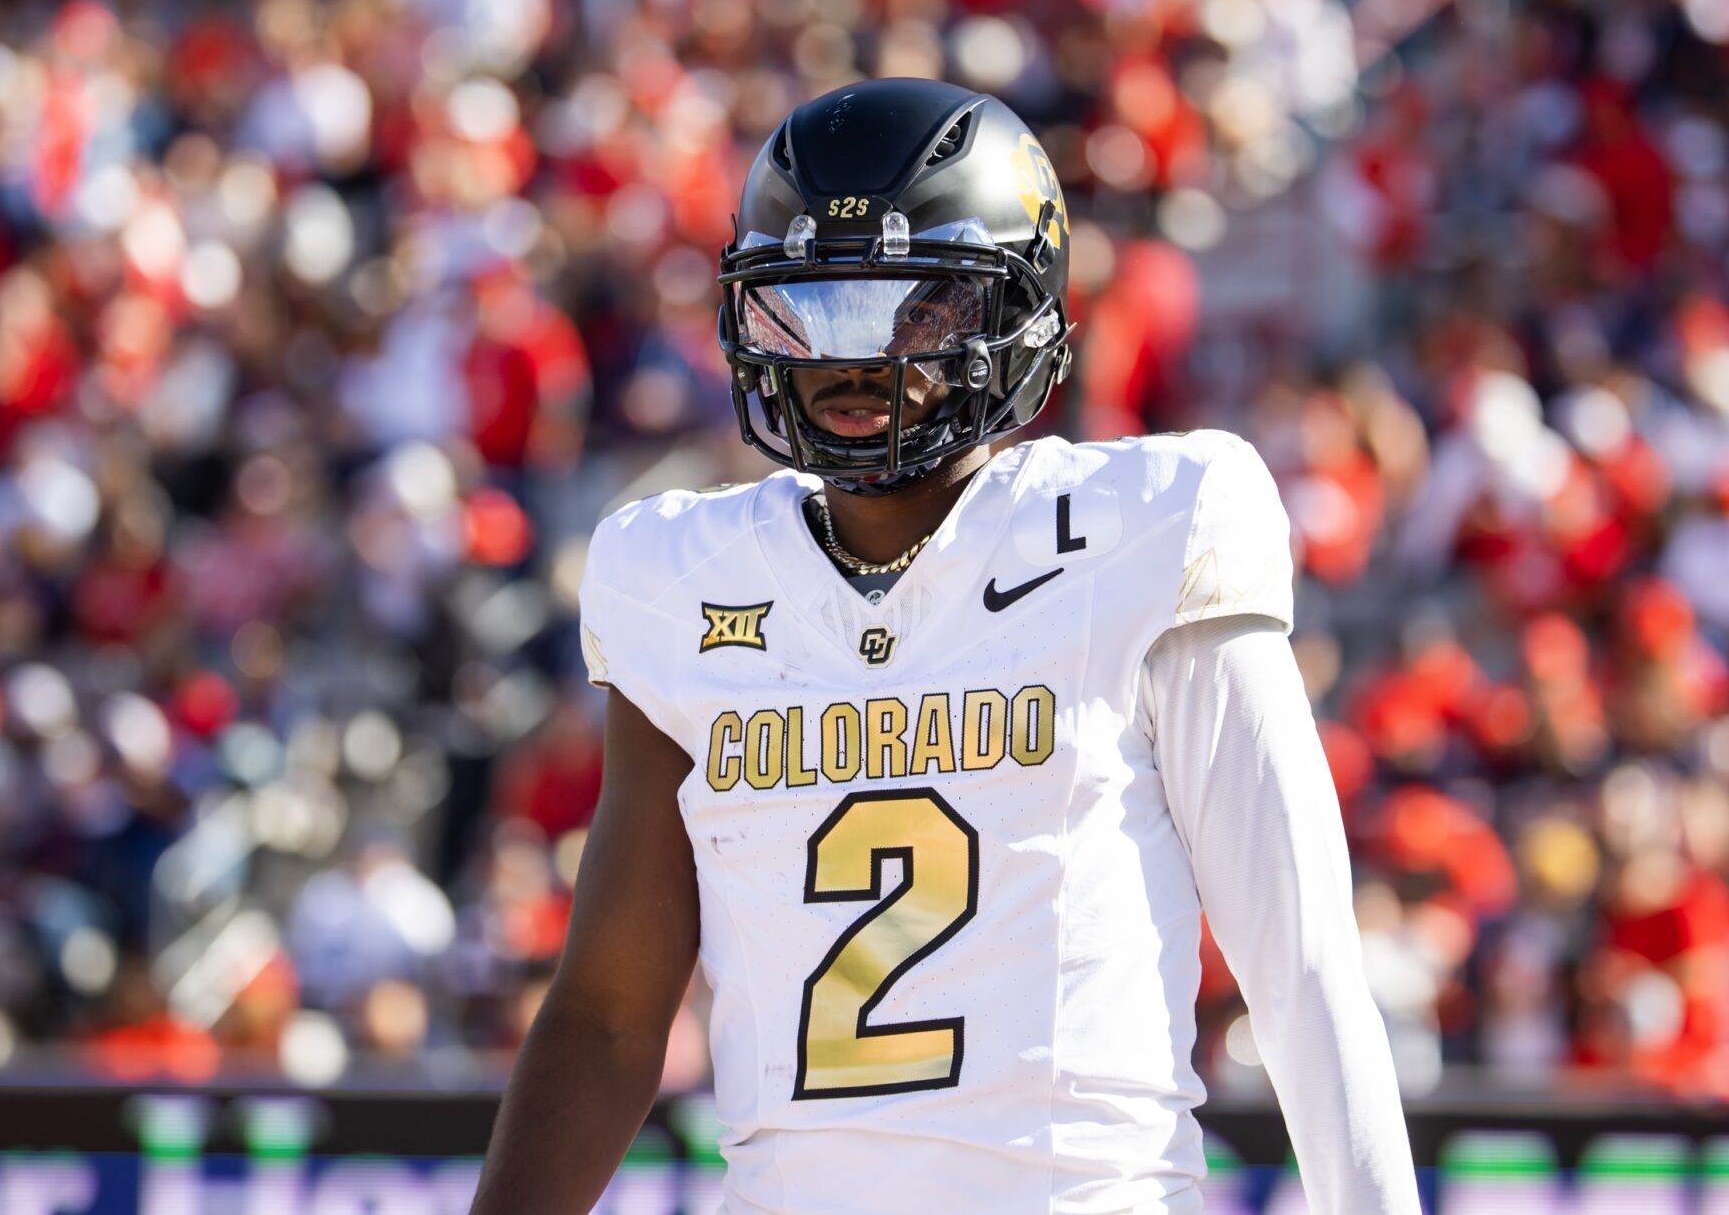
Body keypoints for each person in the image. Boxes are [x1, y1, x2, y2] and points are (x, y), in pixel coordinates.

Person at [471, 78, 1421, 1213]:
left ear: (1016, 312)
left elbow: (1302, 966)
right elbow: (610, 1009)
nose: (851, 356)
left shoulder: (1147, 526)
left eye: (911, 308)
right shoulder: (683, 576)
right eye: (811, 306)